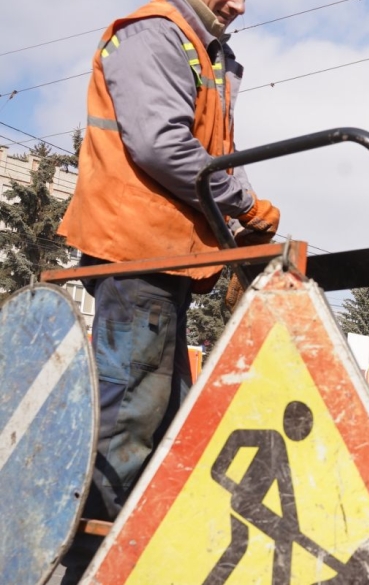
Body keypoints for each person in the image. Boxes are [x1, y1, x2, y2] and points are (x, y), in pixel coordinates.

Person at [55, 0, 277, 580]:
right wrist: (244, 204)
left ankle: (125, 563)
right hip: (137, 252)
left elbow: (217, 150)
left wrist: (242, 218)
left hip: (164, 257)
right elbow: (161, 145)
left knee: (163, 424)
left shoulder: (207, 51)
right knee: (128, 424)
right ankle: (86, 566)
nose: (237, 5)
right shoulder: (157, 36)